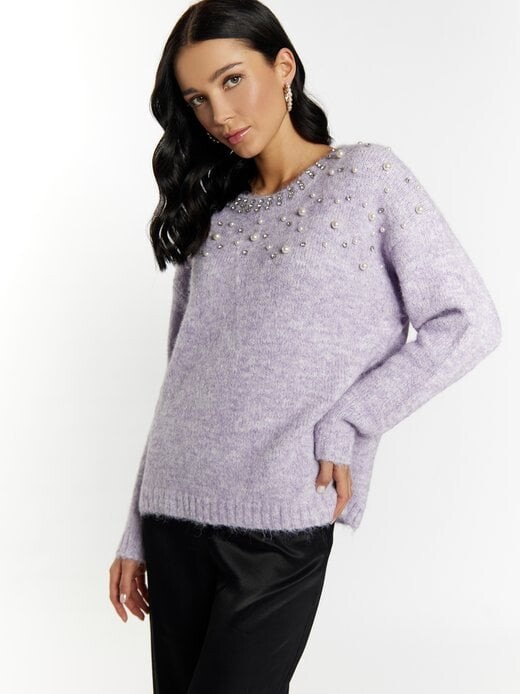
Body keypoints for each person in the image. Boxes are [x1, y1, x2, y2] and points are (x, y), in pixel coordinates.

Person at [108, 1, 502, 692]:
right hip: (173, 511)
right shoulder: (214, 212)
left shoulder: (368, 178)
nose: (219, 114)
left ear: (283, 66)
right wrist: (136, 529)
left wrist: (351, 419)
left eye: (233, 80)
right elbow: (183, 376)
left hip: (280, 518)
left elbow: (467, 319)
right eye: (197, 99)